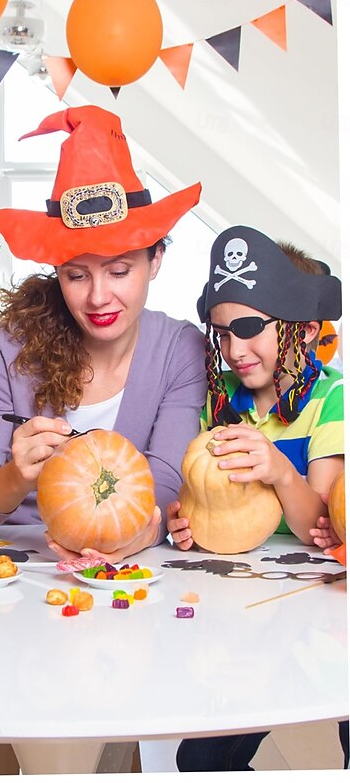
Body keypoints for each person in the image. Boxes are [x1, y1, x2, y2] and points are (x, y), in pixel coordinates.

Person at [0, 105, 208, 775]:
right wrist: (15, 476)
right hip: (16, 591)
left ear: (157, 259)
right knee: (32, 751)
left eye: (120, 269)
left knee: (109, 752)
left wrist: (127, 537)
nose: (98, 296)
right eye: (77, 273)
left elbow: (163, 481)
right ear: (56, 271)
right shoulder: (6, 349)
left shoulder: (180, 349)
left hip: (124, 585)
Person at [167, 226, 345, 772]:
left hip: (321, 604)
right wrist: (185, 520)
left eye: (248, 329)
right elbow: (201, 494)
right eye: (222, 334)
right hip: (241, 600)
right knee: (202, 758)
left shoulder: (331, 399)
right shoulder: (219, 400)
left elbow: (324, 527)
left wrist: (280, 471)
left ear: (305, 330)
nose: (234, 350)